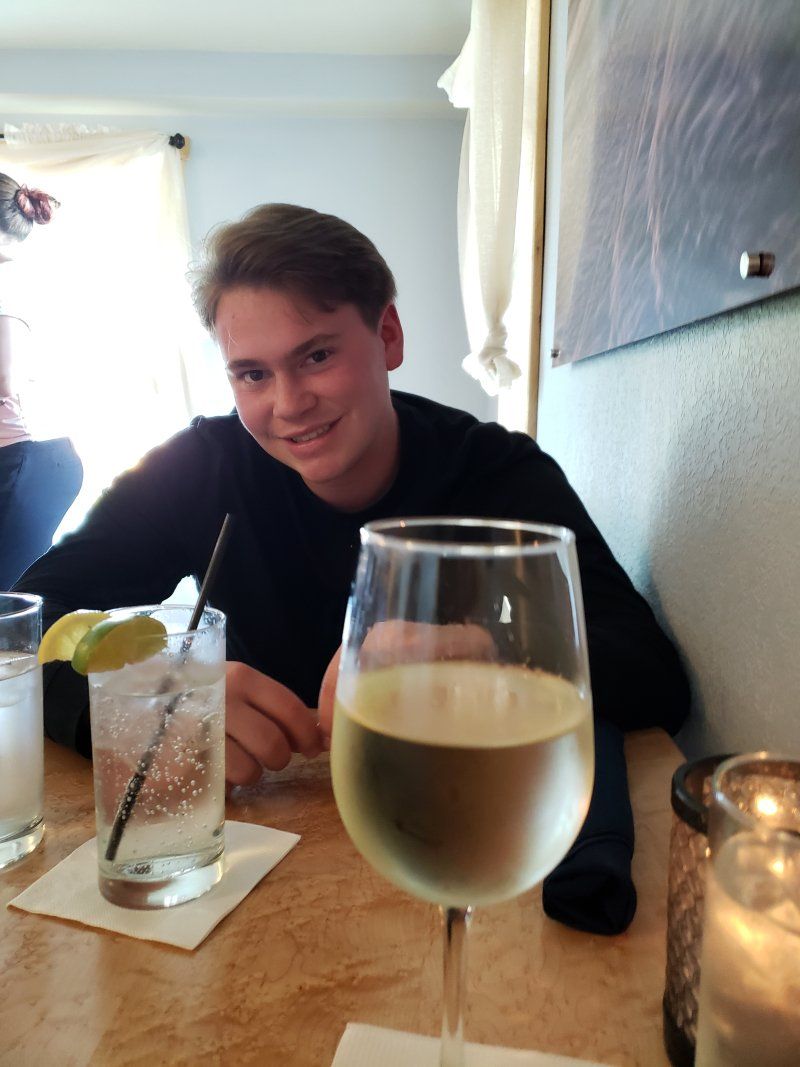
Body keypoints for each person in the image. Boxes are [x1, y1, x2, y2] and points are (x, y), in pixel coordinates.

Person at [16, 203, 690, 789]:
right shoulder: (199, 467)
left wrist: (477, 647)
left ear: (388, 337)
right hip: (266, 825)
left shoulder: (493, 469)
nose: (289, 404)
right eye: (252, 374)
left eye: (316, 357)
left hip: (454, 802)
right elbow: (22, 629)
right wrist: (146, 698)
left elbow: (649, 668)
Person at [0, 172, 83, 587]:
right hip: (37, 457)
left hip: (19, 459)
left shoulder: (4, 280)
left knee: (9, 604)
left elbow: (4, 379)